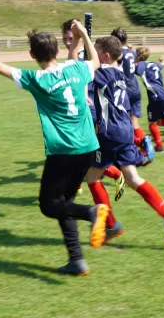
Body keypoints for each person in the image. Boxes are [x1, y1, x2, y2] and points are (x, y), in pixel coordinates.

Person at [0, 19, 109, 277]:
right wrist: (83, 35)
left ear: (32, 56)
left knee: (49, 205)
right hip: (88, 146)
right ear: (58, 51)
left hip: (63, 151)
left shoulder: (36, 78)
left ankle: (92, 213)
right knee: (64, 203)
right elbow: (95, 61)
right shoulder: (77, 69)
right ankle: (77, 260)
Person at [78, 36, 164, 246]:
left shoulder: (102, 73)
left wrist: (81, 45)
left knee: (92, 177)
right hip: (125, 130)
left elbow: (83, 75)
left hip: (108, 134)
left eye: (97, 52)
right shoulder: (121, 74)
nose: (94, 57)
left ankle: (111, 225)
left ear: (105, 55)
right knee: (132, 177)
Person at [61, 19, 131, 199]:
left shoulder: (92, 57)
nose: (69, 42)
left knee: (80, 151)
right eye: (66, 39)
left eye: (71, 38)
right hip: (92, 110)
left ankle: (79, 186)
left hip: (94, 109)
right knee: (84, 152)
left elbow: (77, 69)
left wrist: (81, 37)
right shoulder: (104, 63)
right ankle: (111, 176)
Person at [111, 28, 153, 153]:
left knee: (123, 124)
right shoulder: (132, 53)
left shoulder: (118, 54)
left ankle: (133, 147)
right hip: (135, 88)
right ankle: (145, 151)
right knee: (134, 123)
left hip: (125, 90)